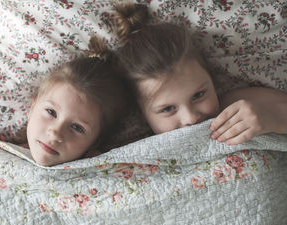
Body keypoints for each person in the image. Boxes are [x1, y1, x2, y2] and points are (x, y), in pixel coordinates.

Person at [114, 3, 287, 145]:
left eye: (199, 95)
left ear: (212, 78)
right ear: (140, 112)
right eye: (168, 109)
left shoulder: (234, 107)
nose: (190, 118)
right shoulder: (131, 142)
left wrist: (275, 116)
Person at [0, 35, 133, 166]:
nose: (56, 133)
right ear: (32, 107)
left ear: (94, 143)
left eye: (77, 127)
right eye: (51, 112)